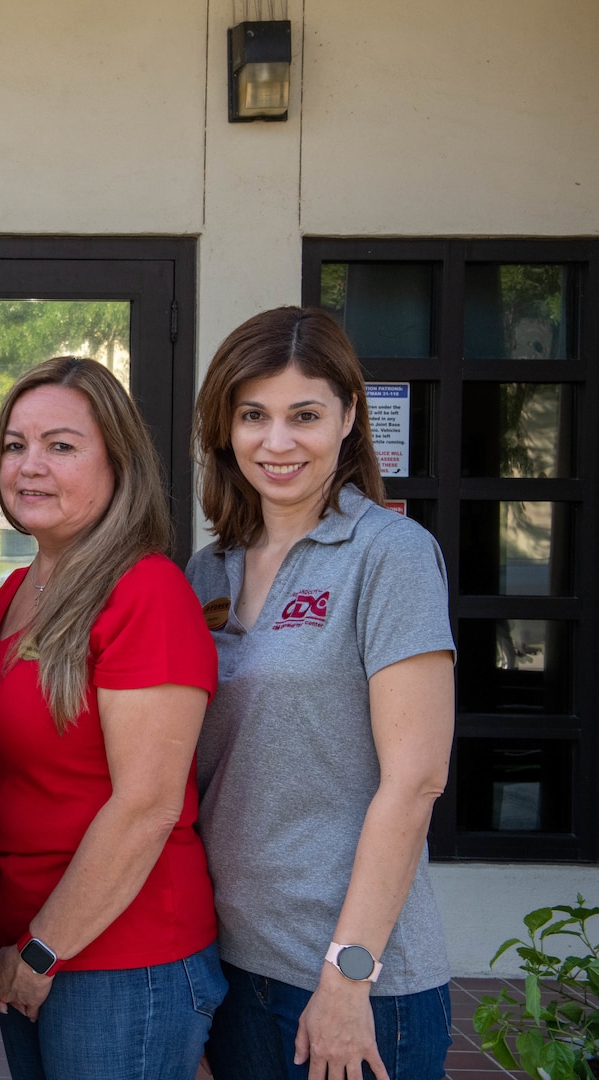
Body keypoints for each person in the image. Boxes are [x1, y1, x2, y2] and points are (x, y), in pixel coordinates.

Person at [187, 307, 455, 1080]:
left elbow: (416, 781)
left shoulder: (390, 555)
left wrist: (349, 975)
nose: (277, 443)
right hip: (233, 966)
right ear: (226, 428)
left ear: (348, 417)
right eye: (253, 416)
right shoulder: (210, 572)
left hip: (354, 982)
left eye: (304, 415)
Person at [0, 356, 225, 1080]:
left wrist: (42, 951)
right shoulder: (19, 587)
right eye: (15, 445)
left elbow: (147, 806)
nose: (29, 466)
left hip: (117, 963)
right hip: (26, 949)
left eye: (61, 446)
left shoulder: (147, 592)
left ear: (119, 463)